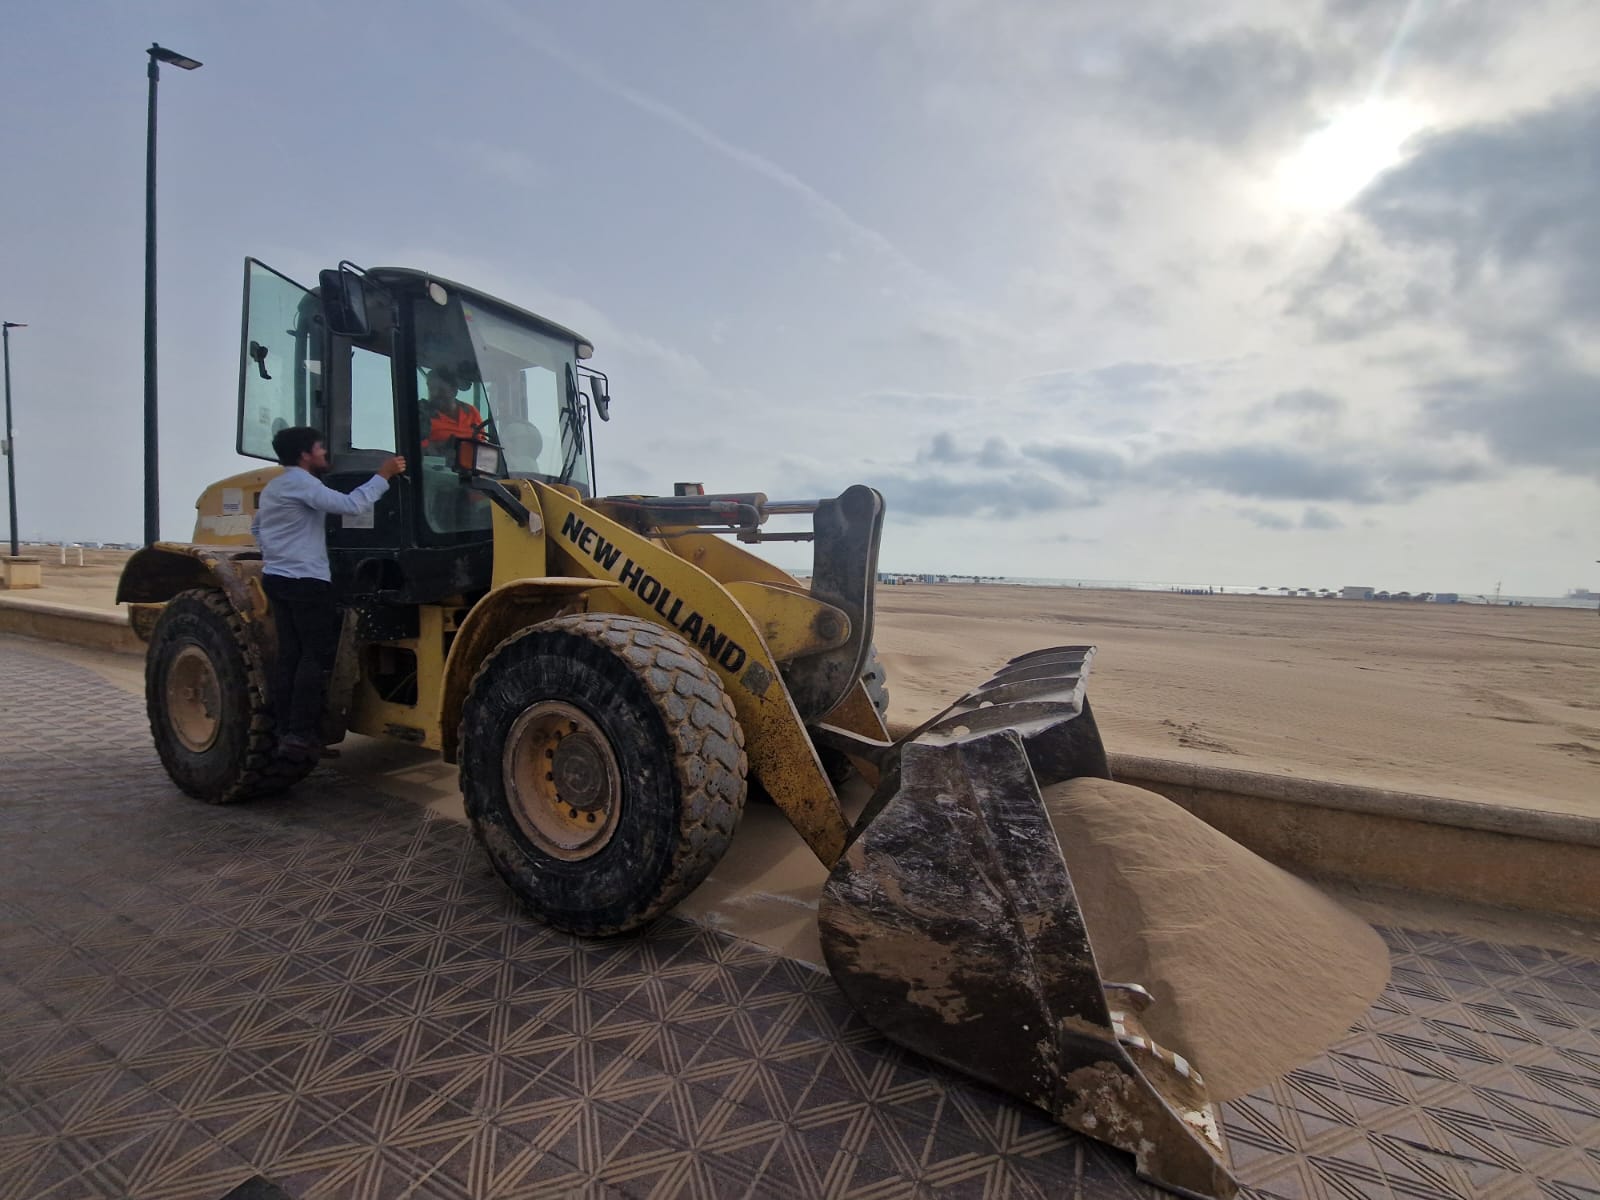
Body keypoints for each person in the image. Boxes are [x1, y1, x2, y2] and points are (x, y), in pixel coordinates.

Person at [252, 427, 405, 759]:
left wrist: (276, 553)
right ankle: (301, 734)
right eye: (320, 447)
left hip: (277, 577)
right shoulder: (303, 484)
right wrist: (384, 474)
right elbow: (350, 505)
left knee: (290, 655)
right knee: (313, 656)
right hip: (306, 581)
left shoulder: (274, 486)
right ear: (305, 454)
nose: (324, 453)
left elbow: (256, 527)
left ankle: (285, 730)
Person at [421, 366, 484, 453]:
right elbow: (414, 448)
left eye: (441, 389)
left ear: (454, 391)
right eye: (431, 389)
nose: (435, 394)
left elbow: (483, 445)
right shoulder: (422, 414)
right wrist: (442, 445)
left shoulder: (471, 412)